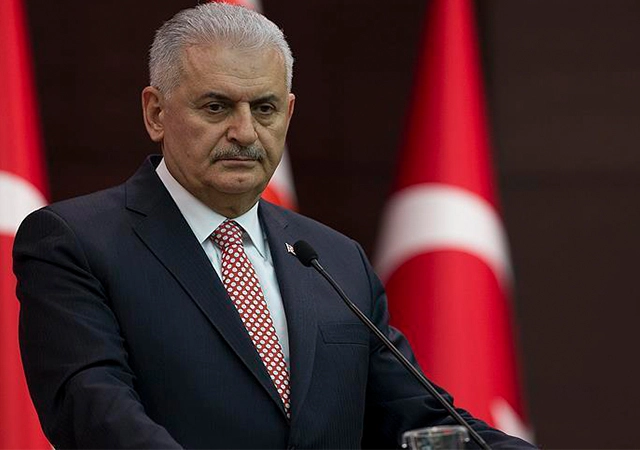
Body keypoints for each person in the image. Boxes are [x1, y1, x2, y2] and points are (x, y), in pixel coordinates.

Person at [13, 3, 534, 449]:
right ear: (155, 113)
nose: (244, 132)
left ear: (287, 112)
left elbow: (420, 417)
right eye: (216, 106)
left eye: (263, 108)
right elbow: (97, 416)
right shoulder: (75, 243)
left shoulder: (335, 260)